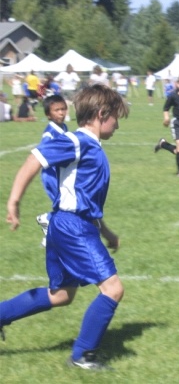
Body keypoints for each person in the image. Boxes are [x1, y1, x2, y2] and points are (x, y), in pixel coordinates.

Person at [2, 84, 129, 370]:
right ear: (101, 114)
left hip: (68, 224)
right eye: (115, 118)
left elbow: (84, 200)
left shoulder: (92, 147)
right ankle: (82, 355)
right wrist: (14, 201)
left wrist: (105, 231)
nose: (117, 125)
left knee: (60, 295)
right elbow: (35, 158)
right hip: (73, 228)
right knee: (113, 289)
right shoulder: (78, 141)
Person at [35, 95, 69, 247]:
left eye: (63, 109)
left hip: (60, 175)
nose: (61, 113)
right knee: (64, 206)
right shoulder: (49, 134)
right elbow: (43, 154)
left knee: (64, 206)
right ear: (49, 115)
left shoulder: (64, 128)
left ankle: (50, 236)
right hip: (51, 176)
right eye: (57, 110)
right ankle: (46, 219)